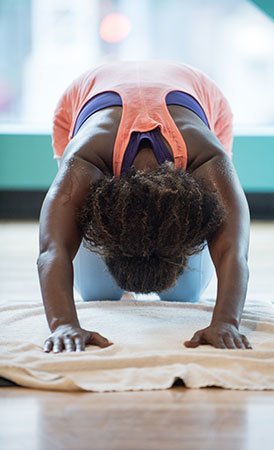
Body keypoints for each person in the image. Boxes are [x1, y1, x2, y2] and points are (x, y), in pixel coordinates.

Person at [37, 59, 252, 354]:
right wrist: (63, 323)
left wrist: (226, 322)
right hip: (84, 94)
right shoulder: (85, 158)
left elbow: (233, 250)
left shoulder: (208, 158)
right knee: (97, 292)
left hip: (201, 95)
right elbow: (52, 250)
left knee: (185, 294)